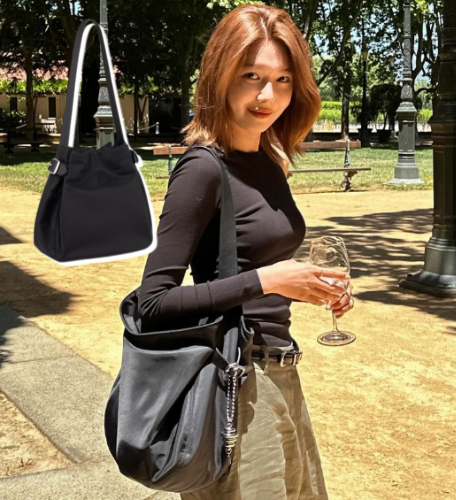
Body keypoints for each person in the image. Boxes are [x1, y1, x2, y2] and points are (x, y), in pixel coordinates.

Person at [137, 4, 354, 499]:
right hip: (235, 378)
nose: (266, 95)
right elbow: (152, 303)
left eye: (282, 79)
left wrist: (307, 287)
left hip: (281, 372)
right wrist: (271, 279)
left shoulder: (269, 161)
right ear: (220, 76)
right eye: (251, 76)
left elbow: (253, 269)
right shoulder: (203, 169)